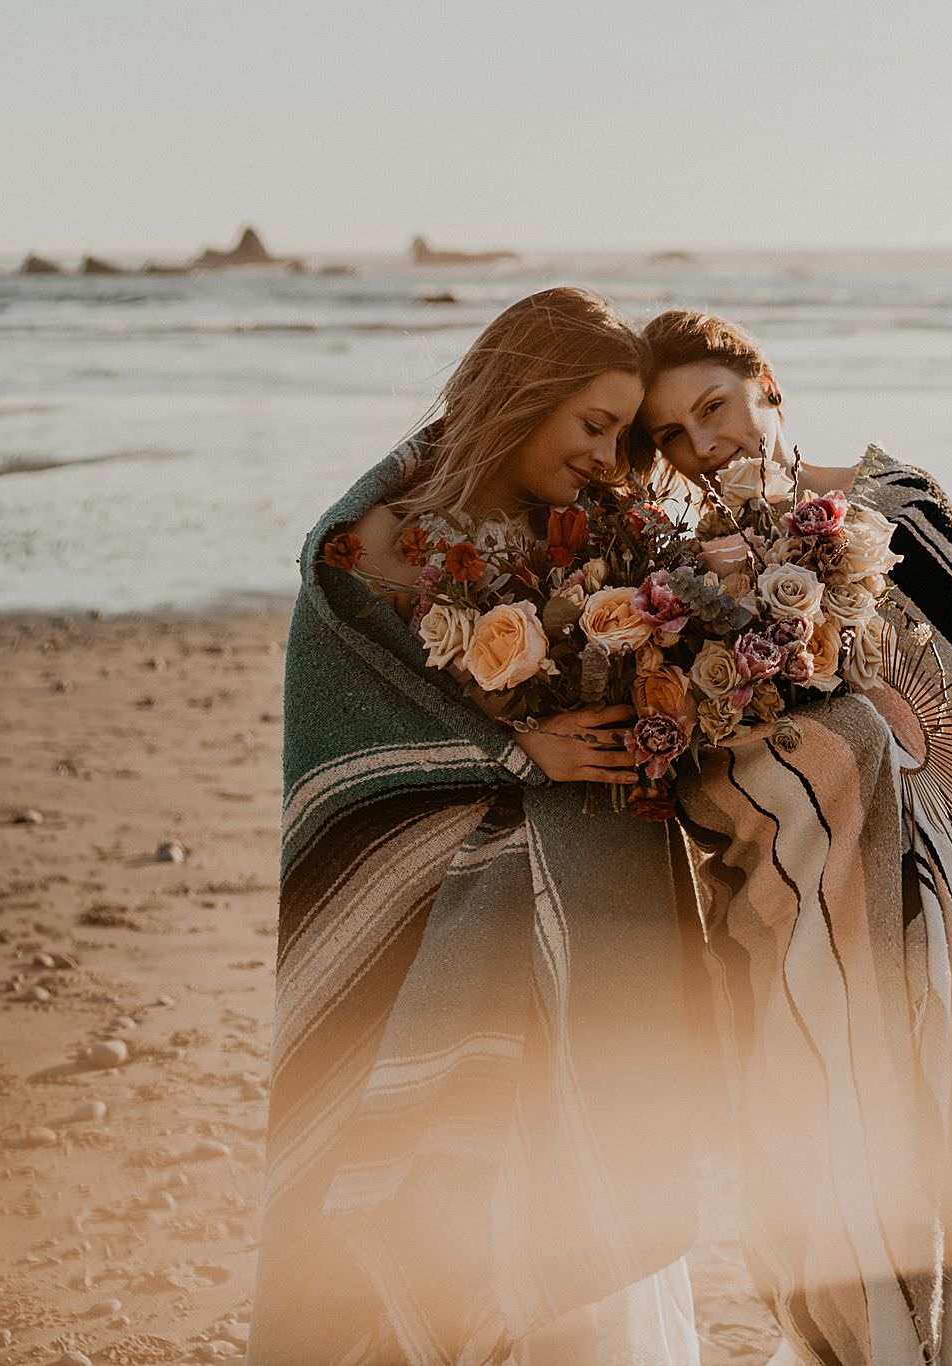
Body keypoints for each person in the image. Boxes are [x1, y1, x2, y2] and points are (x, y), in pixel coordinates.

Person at [250, 287, 711, 1365]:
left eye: (620, 433)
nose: (607, 455)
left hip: (584, 909)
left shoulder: (606, 536)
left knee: (570, 1202)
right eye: (590, 425)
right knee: (443, 1189)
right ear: (522, 397)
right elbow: (345, 757)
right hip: (438, 923)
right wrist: (512, 754)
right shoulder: (376, 544)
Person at [629, 309, 952, 1366]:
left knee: (923, 1116)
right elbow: (715, 763)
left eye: (712, 406)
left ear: (766, 384)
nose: (701, 444)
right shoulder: (687, 575)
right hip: (807, 902)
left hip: (951, 875)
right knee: (811, 1116)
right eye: (671, 434)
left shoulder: (899, 499)